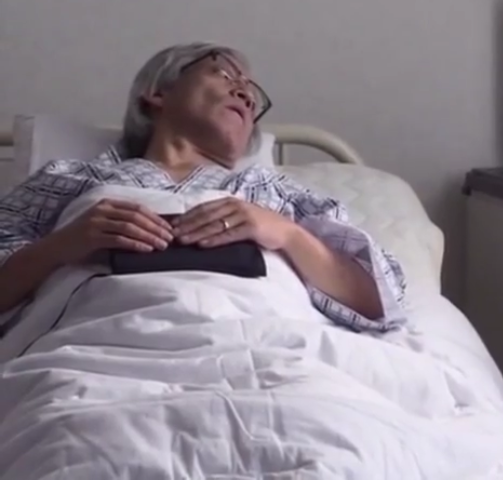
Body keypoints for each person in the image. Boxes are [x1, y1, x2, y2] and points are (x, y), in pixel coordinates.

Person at [0, 42, 407, 333]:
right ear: (157, 94)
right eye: (224, 74)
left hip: (265, 347)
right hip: (95, 347)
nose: (245, 94)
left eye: (252, 95)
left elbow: (379, 297)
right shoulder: (68, 179)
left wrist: (286, 233)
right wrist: (63, 245)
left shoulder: (278, 192)